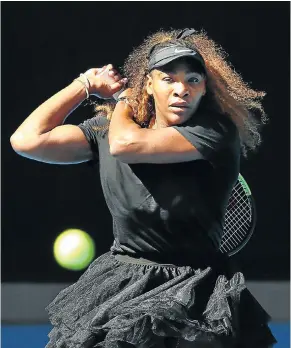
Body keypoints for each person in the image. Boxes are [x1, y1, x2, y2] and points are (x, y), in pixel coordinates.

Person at [10, 28, 276, 348]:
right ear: (148, 85)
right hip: (122, 280)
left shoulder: (216, 134)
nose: (182, 89)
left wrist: (121, 98)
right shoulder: (103, 133)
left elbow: (125, 144)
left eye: (193, 79)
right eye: (168, 79)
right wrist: (84, 86)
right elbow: (26, 141)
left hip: (194, 289)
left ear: (205, 88)